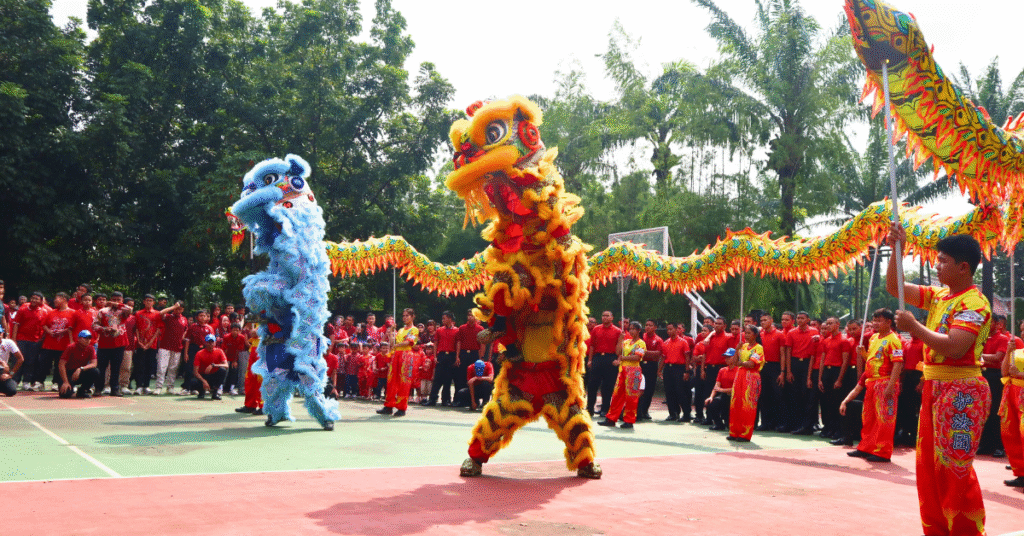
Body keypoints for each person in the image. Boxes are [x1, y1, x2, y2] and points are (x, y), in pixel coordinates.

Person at [886, 225, 991, 536]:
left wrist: (914, 327)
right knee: (930, 468)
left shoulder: (974, 303)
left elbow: (955, 346)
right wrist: (896, 249)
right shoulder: (940, 295)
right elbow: (896, 286)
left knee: (954, 468)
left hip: (962, 390)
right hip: (935, 387)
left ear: (963, 267)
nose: (936, 265)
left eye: (943, 261)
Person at [840, 309, 903, 462]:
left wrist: (890, 386)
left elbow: (898, 364)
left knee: (885, 419)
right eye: (874, 320)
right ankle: (865, 447)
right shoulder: (874, 337)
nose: (875, 323)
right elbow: (875, 360)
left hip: (885, 382)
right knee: (868, 417)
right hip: (872, 382)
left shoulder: (894, 340)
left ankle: (883, 451)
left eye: (878, 320)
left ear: (889, 322)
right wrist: (863, 355)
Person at [598, 321, 646, 429]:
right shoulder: (626, 341)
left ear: (639, 330)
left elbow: (637, 357)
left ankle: (629, 420)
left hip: (634, 371)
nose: (632, 331)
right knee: (617, 394)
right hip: (623, 370)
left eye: (634, 329)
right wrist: (620, 339)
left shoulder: (641, 343)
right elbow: (618, 352)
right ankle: (611, 418)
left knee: (631, 395)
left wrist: (622, 359)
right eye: (630, 329)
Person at [377, 308, 419, 417]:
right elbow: (392, 343)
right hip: (396, 354)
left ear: (413, 316)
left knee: (404, 382)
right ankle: (389, 405)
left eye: (407, 316)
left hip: (406, 355)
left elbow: (408, 343)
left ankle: (401, 408)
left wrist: (396, 345)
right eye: (403, 316)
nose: (405, 318)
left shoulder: (414, 330)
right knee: (391, 380)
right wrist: (391, 332)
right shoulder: (400, 330)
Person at [816, 317, 853, 440]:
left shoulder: (844, 340)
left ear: (838, 324)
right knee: (826, 402)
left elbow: (845, 361)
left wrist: (840, 379)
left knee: (836, 401)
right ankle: (828, 427)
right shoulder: (826, 341)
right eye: (827, 323)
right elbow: (822, 359)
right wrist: (820, 378)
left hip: (837, 371)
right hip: (827, 371)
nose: (829, 326)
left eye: (831, 323)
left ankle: (838, 429)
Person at [783, 311, 819, 435]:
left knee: (807, 394)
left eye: (802, 318)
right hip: (794, 363)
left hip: (808, 363)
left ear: (808, 319)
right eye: (798, 318)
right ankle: (794, 424)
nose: (800, 320)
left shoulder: (814, 332)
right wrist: (788, 371)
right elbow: (788, 351)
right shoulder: (791, 333)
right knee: (794, 395)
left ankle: (808, 425)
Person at [979, 315, 1010, 456]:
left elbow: (998, 357)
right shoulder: (983, 338)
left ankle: (999, 446)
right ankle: (985, 445)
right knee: (983, 411)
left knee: (996, 411)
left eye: (989, 322)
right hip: (983, 375)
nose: (986, 324)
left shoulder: (1003, 339)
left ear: (997, 324)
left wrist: (980, 356)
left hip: (996, 376)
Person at [93, 291, 133, 397]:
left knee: (116, 368)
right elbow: (94, 325)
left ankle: (115, 389)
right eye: (114, 300)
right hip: (104, 343)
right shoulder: (103, 311)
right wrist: (105, 329)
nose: (116, 302)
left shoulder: (123, 310)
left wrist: (118, 305)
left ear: (122, 300)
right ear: (110, 299)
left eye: (118, 300)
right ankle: (98, 388)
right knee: (101, 367)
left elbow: (130, 309)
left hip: (120, 343)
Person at [696, 317, 734, 425]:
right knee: (708, 392)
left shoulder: (728, 337)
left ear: (724, 326)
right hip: (710, 368)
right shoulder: (710, 338)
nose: (716, 325)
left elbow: (732, 354)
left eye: (719, 324)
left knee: (722, 394)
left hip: (721, 368)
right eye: (715, 323)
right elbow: (704, 354)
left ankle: (723, 418)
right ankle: (709, 418)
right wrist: (703, 369)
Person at [729, 325, 764, 442]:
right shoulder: (742, 346)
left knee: (748, 404)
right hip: (739, 375)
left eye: (749, 333)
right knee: (736, 402)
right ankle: (734, 432)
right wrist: (736, 350)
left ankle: (745, 434)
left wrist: (741, 362)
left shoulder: (758, 348)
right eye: (745, 333)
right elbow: (733, 363)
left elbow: (752, 364)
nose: (746, 335)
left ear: (755, 335)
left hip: (751, 377)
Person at [38, 292, 76, 392]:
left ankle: (56, 382)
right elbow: (44, 325)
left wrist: (62, 331)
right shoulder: (51, 312)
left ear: (64, 299)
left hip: (64, 344)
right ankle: (40, 382)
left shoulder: (73, 313)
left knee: (60, 364)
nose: (55, 300)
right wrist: (49, 332)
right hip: (49, 343)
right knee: (44, 363)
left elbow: (72, 327)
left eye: (57, 298)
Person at [587, 310, 621, 417]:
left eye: (607, 316)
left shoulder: (618, 331)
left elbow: (621, 348)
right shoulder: (596, 329)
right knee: (592, 384)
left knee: (608, 386)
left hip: (610, 358)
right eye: (603, 315)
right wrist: (590, 360)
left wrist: (618, 359)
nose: (605, 317)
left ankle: (605, 409)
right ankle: (590, 408)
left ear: (612, 318)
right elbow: (592, 345)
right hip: (597, 358)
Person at [11, 291, 47, 390]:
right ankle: (15, 380)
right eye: (33, 298)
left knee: (30, 362)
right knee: (18, 360)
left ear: (41, 301)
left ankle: (26, 382)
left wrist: (41, 338)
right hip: (21, 339)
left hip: (35, 341)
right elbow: (16, 324)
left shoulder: (43, 311)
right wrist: (14, 340)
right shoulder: (23, 309)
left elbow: (45, 327)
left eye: (37, 299)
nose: (34, 300)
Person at [1000, 338, 1024, 487]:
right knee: (1011, 433)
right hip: (1012, 393)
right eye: (1022, 330)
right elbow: (1004, 372)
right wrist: (1009, 352)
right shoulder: (1018, 352)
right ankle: (1021, 473)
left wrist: (1021, 374)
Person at [757, 313, 785, 431]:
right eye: (761, 320)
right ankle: (765, 422)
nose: (762, 322)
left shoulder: (779, 334)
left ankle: (778, 423)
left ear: (771, 320)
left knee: (777, 395)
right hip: (762, 366)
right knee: (763, 395)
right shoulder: (759, 335)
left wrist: (782, 372)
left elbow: (783, 354)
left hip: (775, 367)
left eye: (765, 320)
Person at [152, 301, 188, 395]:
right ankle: (158, 387)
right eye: (176, 308)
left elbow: (185, 330)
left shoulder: (184, 319)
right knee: (161, 367)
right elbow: (161, 313)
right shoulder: (168, 316)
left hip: (177, 347)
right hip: (165, 346)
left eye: (180, 308)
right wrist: (173, 306)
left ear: (183, 310)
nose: (178, 310)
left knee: (173, 368)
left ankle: (170, 387)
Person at [425, 311, 459, 406]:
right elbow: (435, 343)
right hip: (442, 355)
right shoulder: (439, 330)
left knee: (448, 379)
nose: (443, 320)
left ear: (450, 319)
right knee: (437, 378)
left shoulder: (457, 330)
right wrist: (435, 356)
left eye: (444, 318)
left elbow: (458, 344)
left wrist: (457, 357)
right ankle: (432, 399)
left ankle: (446, 400)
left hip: (451, 355)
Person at [660, 322, 692, 422]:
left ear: (676, 330)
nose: (669, 331)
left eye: (671, 329)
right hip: (668, 368)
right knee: (669, 392)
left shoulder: (683, 342)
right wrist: (659, 370)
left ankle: (686, 414)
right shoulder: (665, 342)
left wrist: (687, 371)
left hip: (679, 368)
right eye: (667, 329)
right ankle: (673, 413)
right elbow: (663, 358)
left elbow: (687, 357)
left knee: (681, 391)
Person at [58, 330, 100, 398]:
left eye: (89, 338)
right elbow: (61, 365)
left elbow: (94, 364)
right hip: (68, 374)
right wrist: (65, 382)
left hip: (80, 372)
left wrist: (81, 369)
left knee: (95, 371)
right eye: (85, 338)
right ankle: (69, 387)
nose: (88, 340)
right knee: (65, 394)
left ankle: (82, 391)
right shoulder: (71, 347)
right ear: (79, 339)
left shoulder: (91, 348)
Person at [636, 319, 664, 421]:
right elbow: (637, 350)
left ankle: (645, 411)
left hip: (651, 366)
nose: (647, 327)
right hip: (640, 364)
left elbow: (658, 354)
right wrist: (644, 352)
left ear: (655, 327)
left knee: (649, 389)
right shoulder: (641, 337)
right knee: (638, 387)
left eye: (650, 325)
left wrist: (644, 352)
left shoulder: (658, 339)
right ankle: (637, 409)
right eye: (646, 325)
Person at [705, 353, 739, 431]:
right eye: (725, 357)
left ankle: (729, 422)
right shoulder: (722, 370)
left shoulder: (739, 370)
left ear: (735, 357)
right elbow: (716, 386)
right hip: (724, 396)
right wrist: (711, 397)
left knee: (729, 424)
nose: (726, 359)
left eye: (729, 357)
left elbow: (736, 388)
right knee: (711, 404)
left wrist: (722, 390)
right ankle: (719, 424)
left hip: (735, 397)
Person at [454, 309, 482, 395]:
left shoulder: (480, 329)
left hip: (474, 354)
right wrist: (457, 356)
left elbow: (482, 345)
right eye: (469, 315)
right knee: (461, 376)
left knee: (474, 376)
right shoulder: (462, 328)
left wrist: (481, 358)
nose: (470, 317)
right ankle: (459, 399)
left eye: (472, 315)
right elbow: (458, 342)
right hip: (463, 353)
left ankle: (473, 399)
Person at [193, 334, 228, 400]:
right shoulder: (199, 353)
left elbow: (226, 365)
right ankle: (201, 392)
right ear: (205, 343)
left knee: (223, 370)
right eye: (209, 342)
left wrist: (214, 365)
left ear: (215, 343)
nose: (211, 344)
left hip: (213, 376)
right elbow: (195, 371)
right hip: (203, 376)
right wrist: (204, 381)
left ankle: (215, 393)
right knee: (193, 381)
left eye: (212, 342)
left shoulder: (219, 351)